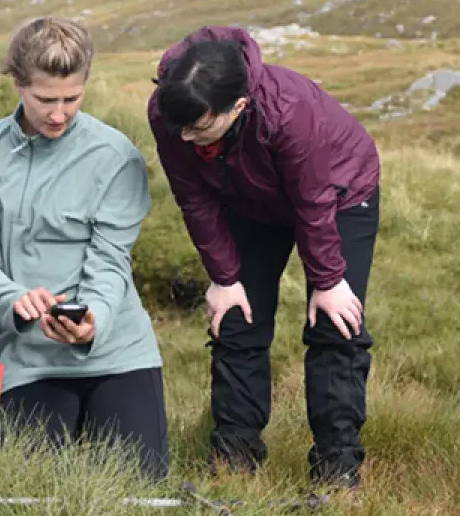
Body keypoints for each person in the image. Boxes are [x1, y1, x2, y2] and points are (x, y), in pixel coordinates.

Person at [147, 25, 381, 489]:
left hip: (338, 192)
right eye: (181, 128)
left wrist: (329, 281)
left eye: (200, 128)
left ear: (238, 106)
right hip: (249, 200)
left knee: (335, 324)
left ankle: (337, 470)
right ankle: (234, 462)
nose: (188, 138)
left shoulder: (288, 109)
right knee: (236, 320)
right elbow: (193, 197)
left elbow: (313, 201)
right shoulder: (172, 111)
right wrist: (224, 276)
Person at [0, 16, 170, 481]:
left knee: (138, 494)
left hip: (116, 351)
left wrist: (95, 322)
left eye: (72, 98)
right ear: (17, 83)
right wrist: (10, 299)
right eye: (45, 99)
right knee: (32, 498)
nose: (59, 114)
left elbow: (110, 262)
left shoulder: (116, 156)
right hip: (26, 356)